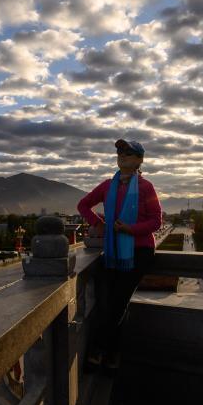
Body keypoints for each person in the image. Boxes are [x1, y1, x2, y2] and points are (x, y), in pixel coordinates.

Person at [77, 139, 163, 371]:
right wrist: (100, 224)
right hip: (114, 253)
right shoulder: (107, 186)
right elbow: (83, 205)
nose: (122, 154)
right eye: (119, 151)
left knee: (116, 304)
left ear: (139, 159)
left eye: (128, 152)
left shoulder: (146, 187)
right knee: (112, 305)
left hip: (140, 253)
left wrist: (129, 229)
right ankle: (114, 356)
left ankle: (97, 352)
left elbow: (156, 221)